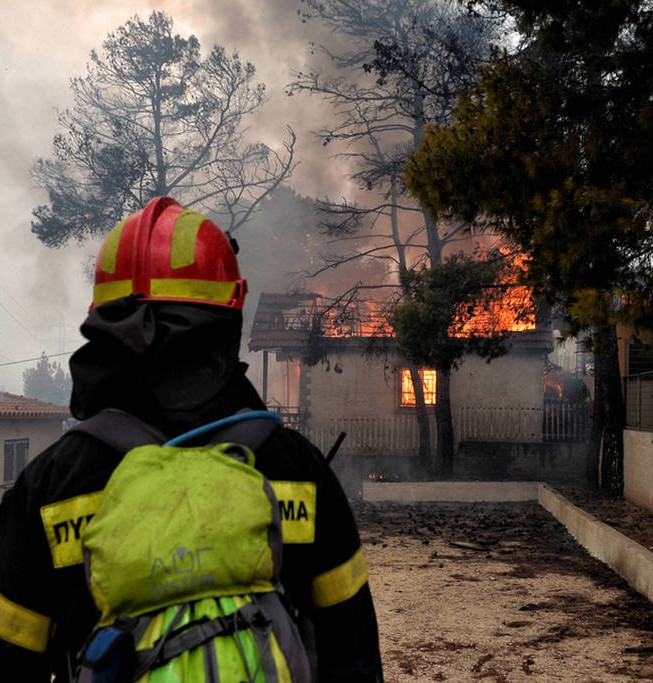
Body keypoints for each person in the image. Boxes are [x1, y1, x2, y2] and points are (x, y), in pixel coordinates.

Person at [0, 196, 383, 682]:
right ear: (227, 321)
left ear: (105, 325)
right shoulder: (298, 471)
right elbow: (354, 658)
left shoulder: (49, 487)